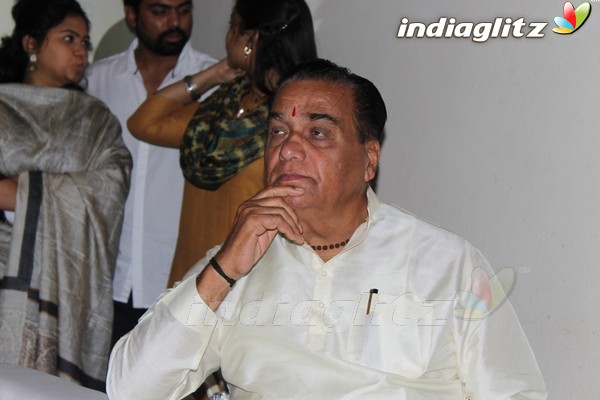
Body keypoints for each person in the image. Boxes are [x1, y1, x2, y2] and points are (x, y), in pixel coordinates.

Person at [107, 59, 547, 399]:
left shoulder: (446, 264)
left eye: (317, 132)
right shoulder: (235, 264)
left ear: (369, 159)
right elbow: (130, 389)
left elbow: (513, 391)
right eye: (278, 131)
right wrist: (221, 272)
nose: (289, 149)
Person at [126, 0, 317, 288]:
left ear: (250, 39)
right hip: (188, 284)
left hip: (244, 290)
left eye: (232, 26)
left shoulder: (293, 122)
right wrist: (212, 75)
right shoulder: (222, 107)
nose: (226, 36)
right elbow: (143, 123)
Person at [0, 0, 131, 390]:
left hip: (68, 281)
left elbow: (110, 186)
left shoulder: (96, 120)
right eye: (69, 38)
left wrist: (17, 194)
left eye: (85, 42)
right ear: (31, 44)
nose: (81, 50)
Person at [85, 0, 217, 347]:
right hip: (107, 278)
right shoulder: (97, 81)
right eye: (160, 11)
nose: (175, 21)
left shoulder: (217, 82)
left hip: (180, 280)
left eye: (183, 10)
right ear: (131, 14)